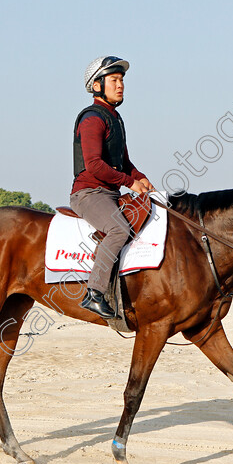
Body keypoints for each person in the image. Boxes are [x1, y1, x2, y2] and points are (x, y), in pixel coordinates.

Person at [70, 56, 153, 319]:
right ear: (97, 86)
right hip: (89, 193)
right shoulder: (93, 119)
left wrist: (142, 178)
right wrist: (130, 183)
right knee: (119, 228)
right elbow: (94, 165)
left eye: (121, 81)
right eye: (114, 80)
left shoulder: (115, 119)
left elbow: (124, 163)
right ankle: (93, 293)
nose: (120, 85)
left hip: (110, 192)